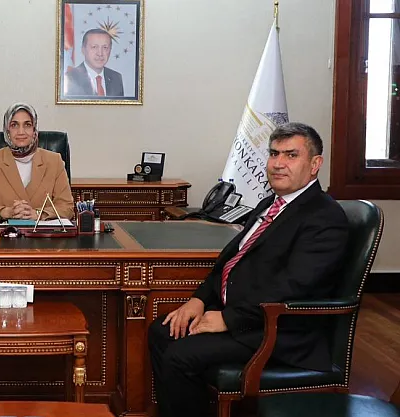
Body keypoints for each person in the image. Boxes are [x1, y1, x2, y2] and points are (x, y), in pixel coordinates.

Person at [148, 122, 349, 417]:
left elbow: (293, 286)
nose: (278, 163)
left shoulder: (325, 217)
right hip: (247, 316)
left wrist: (228, 319)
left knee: (180, 355)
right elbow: (230, 262)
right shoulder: (270, 203)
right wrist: (199, 300)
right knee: (162, 331)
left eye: (291, 155)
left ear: (315, 164)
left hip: (280, 331)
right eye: (274, 153)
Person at [0, 103, 74, 220]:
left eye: (27, 125)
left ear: (34, 129)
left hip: (41, 231)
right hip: (6, 231)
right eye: (14, 125)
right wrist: (5, 212)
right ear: (7, 130)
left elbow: (67, 208)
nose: (21, 132)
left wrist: (38, 214)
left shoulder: (54, 161)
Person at [64, 29, 124, 97]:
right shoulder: (71, 78)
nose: (100, 53)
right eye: (94, 47)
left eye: (105, 47)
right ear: (83, 49)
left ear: (110, 50)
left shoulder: (116, 78)